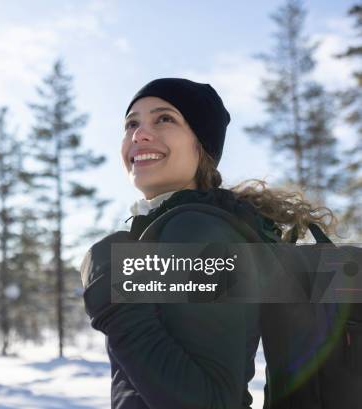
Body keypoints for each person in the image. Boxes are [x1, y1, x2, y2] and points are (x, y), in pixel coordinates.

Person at [79, 78, 338, 409]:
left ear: (200, 146)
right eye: (132, 123)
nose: (139, 134)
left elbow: (212, 401)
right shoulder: (180, 225)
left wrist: (113, 298)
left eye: (164, 118)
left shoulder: (195, 230)